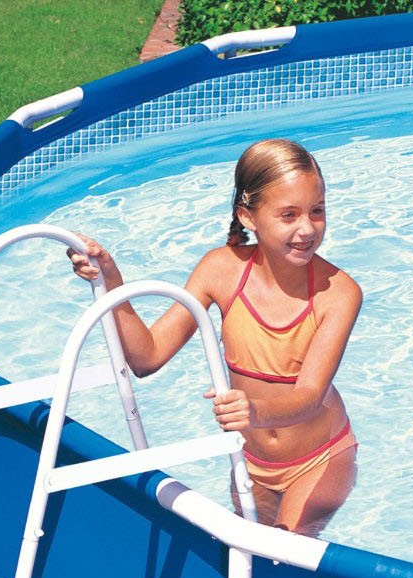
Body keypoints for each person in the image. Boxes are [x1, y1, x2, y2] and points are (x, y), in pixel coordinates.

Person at [68, 137, 362, 538]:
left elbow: (310, 396)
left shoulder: (338, 293)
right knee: (246, 555)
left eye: (317, 211)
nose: (307, 228)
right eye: (288, 215)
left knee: (283, 555)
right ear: (247, 216)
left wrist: (255, 411)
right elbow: (147, 358)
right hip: (252, 463)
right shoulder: (220, 271)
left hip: (320, 459)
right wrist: (110, 281)